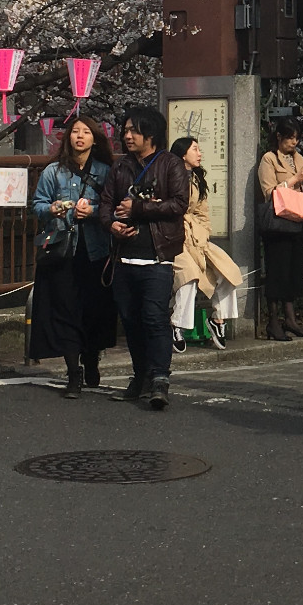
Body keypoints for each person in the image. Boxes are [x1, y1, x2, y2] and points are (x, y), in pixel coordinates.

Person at [27, 115, 118, 398]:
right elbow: (37, 204)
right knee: (64, 309)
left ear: (95, 138)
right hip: (62, 250)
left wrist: (91, 209)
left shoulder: (106, 172)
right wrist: (52, 209)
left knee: (93, 310)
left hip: (96, 251)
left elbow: (115, 206)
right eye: (74, 132)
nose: (79, 136)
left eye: (85, 132)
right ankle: (72, 373)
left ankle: (91, 358)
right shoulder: (54, 172)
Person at [109, 106, 189, 410]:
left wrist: (138, 209)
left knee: (154, 319)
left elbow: (178, 204)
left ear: (151, 134)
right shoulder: (121, 167)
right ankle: (140, 377)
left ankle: (159, 380)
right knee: (130, 321)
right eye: (126, 130)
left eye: (134, 130)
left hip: (157, 259)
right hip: (124, 258)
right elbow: (107, 203)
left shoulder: (170, 165)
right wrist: (111, 224)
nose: (128, 136)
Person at [169, 135, 240, 350]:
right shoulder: (170, 176)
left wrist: (203, 233)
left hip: (198, 238)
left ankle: (218, 321)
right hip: (175, 239)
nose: (200, 154)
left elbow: (202, 211)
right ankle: (176, 325)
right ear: (183, 154)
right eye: (195, 149)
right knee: (188, 275)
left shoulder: (197, 179)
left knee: (228, 272)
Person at [256, 118, 303, 341]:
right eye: (290, 138)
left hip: (296, 220)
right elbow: (269, 191)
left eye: (296, 138)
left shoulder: (298, 158)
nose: (294, 143)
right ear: (279, 137)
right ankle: (273, 320)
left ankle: (290, 318)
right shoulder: (269, 159)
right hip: (277, 224)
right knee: (276, 272)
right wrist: (294, 179)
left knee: (293, 271)